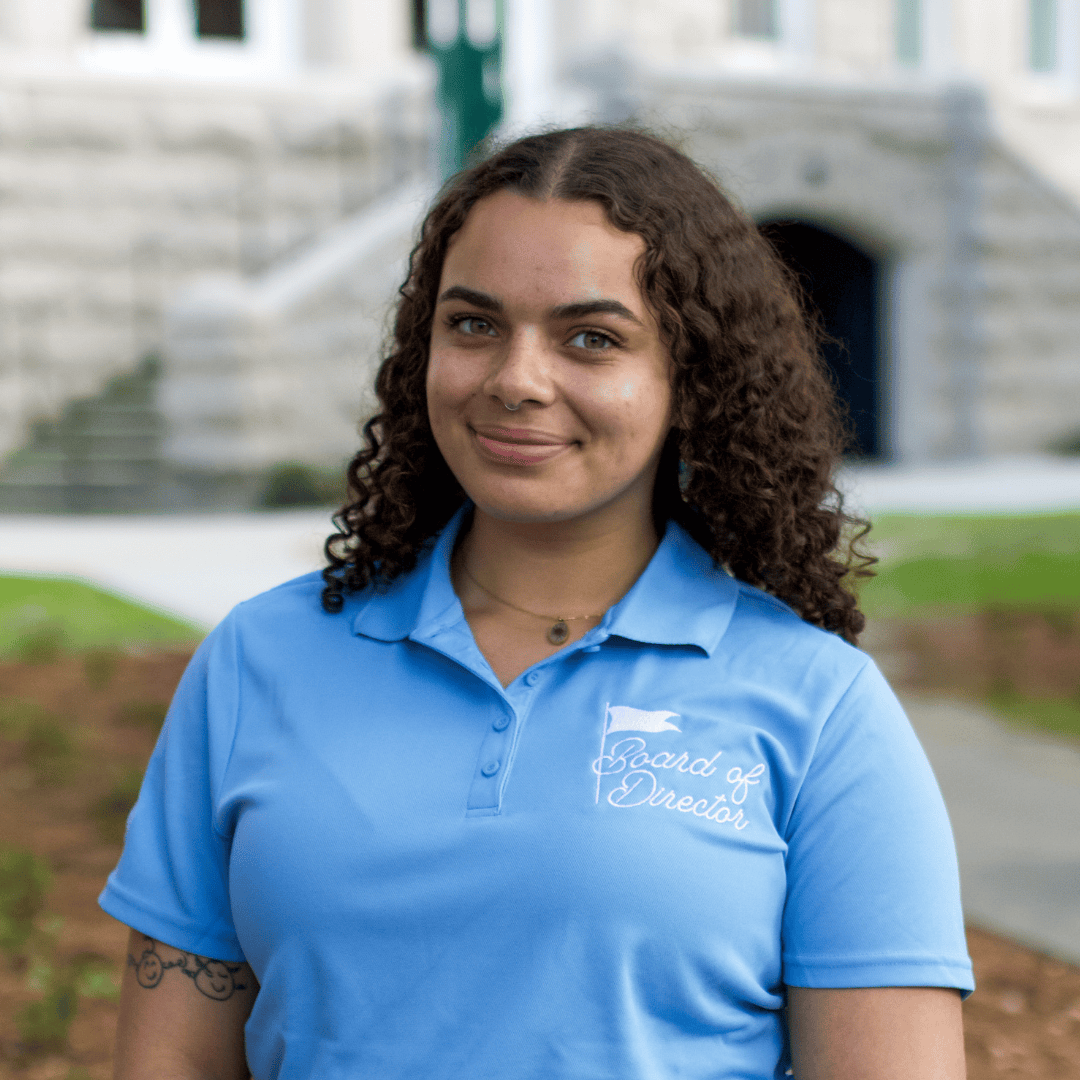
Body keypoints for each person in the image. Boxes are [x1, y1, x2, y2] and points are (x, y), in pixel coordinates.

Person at [102, 127, 973, 1080]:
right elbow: (172, 1062)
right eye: (474, 324)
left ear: (693, 380)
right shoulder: (257, 660)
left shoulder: (821, 707)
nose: (517, 380)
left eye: (591, 339)